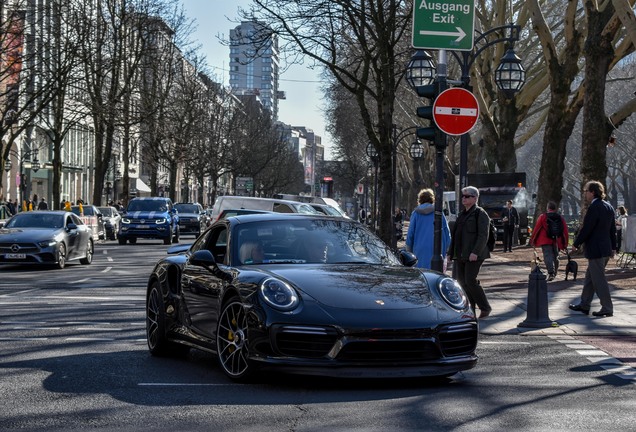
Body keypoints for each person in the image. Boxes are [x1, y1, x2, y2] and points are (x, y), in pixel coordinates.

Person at [569, 180, 616, 317]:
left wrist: (576, 243)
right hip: (605, 249)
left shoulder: (594, 207)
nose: (585, 194)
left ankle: (607, 307)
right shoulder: (608, 206)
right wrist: (613, 247)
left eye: (586, 191)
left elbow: (587, 228)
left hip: (596, 249)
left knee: (599, 280)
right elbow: (612, 230)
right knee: (590, 278)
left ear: (593, 192)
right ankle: (584, 304)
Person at [447, 186, 492, 318]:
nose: (463, 199)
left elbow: (483, 235)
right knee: (462, 282)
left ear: (475, 198)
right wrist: (450, 252)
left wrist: (475, 252)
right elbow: (455, 235)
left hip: (474, 254)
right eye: (463, 196)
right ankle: (470, 309)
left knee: (470, 280)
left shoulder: (480, 213)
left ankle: (485, 307)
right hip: (460, 254)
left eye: (467, 196)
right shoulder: (461, 215)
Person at [405, 188, 451, 269]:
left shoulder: (415, 213)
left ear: (420, 199)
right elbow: (446, 232)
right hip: (437, 249)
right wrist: (447, 248)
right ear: (432, 199)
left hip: (419, 249)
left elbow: (410, 233)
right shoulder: (439, 212)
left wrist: (408, 249)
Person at [530, 201, 569, 281]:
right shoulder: (560, 218)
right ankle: (555, 272)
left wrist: (532, 240)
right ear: (555, 208)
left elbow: (537, 229)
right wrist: (565, 244)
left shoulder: (543, 217)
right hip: (556, 240)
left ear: (548, 208)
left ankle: (551, 272)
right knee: (556, 256)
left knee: (548, 256)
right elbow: (565, 231)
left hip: (545, 240)